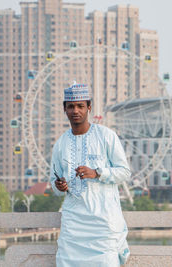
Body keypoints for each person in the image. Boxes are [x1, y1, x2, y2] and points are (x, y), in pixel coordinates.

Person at [50, 82, 131, 267]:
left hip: (103, 221)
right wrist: (59, 185)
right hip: (73, 223)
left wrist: (97, 173)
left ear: (89, 107)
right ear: (64, 109)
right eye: (71, 106)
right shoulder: (60, 144)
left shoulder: (106, 136)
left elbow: (124, 171)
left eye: (80, 106)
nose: (75, 111)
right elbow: (53, 183)